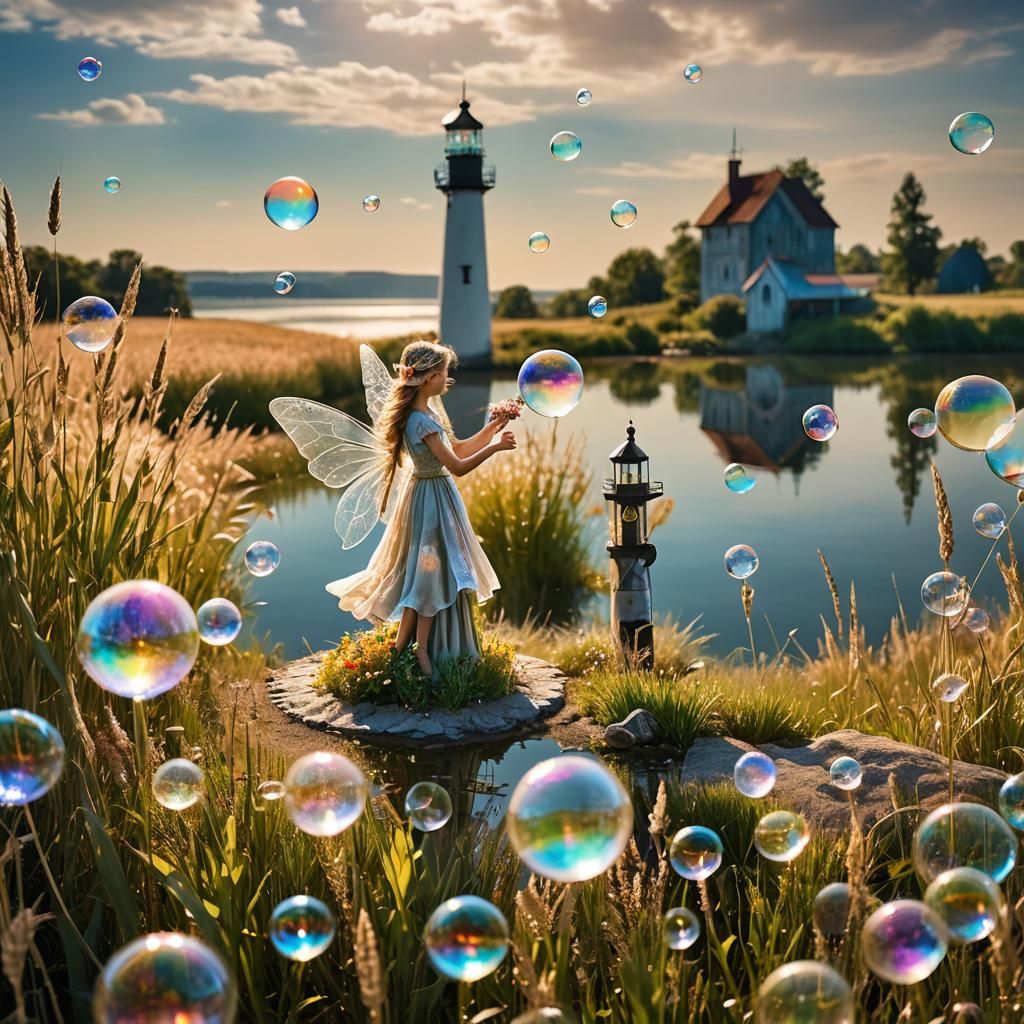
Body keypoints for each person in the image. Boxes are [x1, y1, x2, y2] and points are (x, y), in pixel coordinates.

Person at [307, 340, 515, 677]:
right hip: (431, 501)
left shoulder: (427, 415)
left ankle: (402, 650)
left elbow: (457, 448)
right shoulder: (421, 421)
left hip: (433, 495)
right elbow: (458, 466)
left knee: (428, 574)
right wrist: (495, 448)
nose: (448, 380)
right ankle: (420, 655)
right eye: (444, 374)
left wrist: (493, 428)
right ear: (428, 376)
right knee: (428, 578)